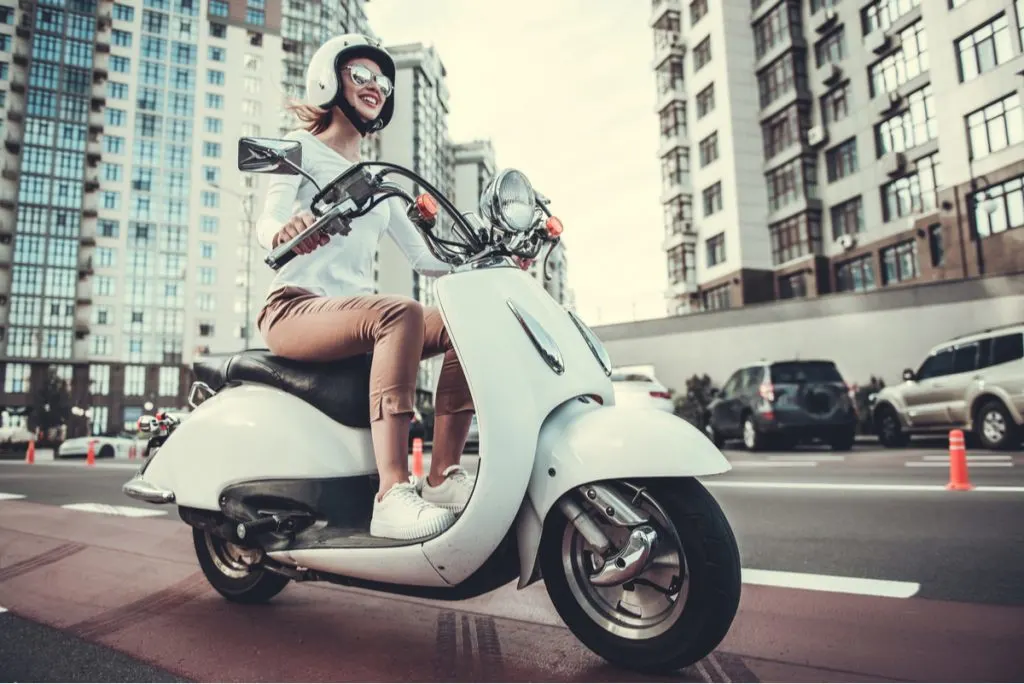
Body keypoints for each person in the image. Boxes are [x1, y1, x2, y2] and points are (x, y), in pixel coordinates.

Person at [253, 35, 502, 541]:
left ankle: (443, 475)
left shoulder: (378, 181)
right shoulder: (295, 149)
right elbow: (267, 221)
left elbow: (430, 260)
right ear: (329, 79)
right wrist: (285, 233)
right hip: (293, 309)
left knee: (466, 324)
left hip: (350, 318)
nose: (376, 88)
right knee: (400, 312)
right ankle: (391, 494)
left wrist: (491, 259)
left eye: (383, 83)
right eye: (361, 76)